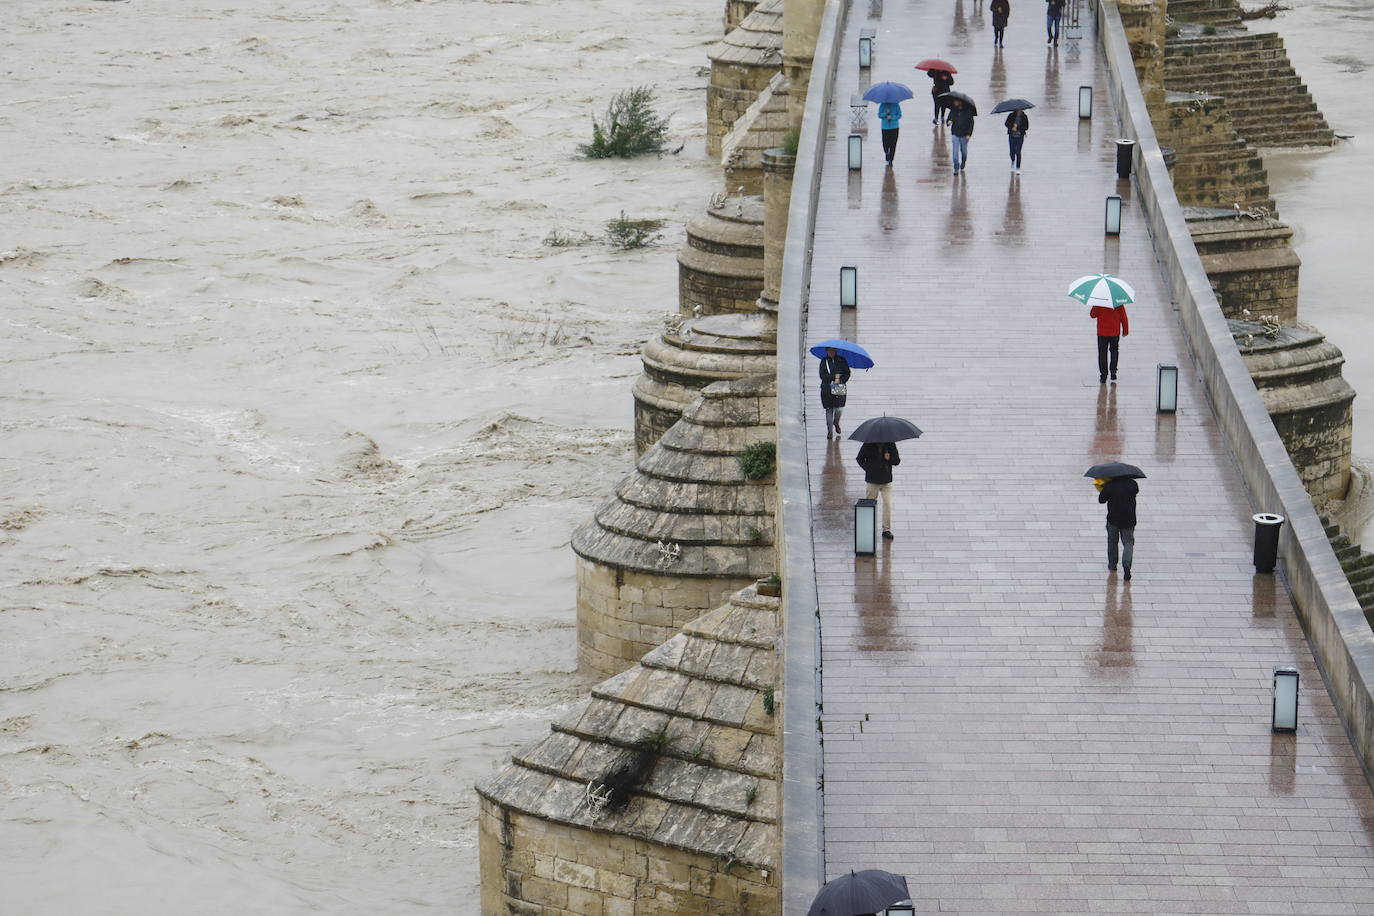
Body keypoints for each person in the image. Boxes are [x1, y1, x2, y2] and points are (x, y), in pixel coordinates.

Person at [856, 441, 900, 539]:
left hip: (886, 480)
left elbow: (897, 461)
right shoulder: (868, 444)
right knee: (869, 505)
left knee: (887, 505)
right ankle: (869, 527)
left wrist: (889, 459)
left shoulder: (890, 444)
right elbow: (859, 458)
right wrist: (868, 468)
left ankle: (886, 529)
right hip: (872, 480)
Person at [1098, 475, 1138, 579]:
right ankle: (1126, 565)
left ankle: (1112, 564)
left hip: (1113, 519)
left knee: (1112, 541)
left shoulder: (1110, 486)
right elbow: (1135, 492)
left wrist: (1103, 488)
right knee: (1128, 542)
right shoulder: (1133, 484)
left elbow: (1101, 500)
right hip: (1129, 519)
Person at [1090, 302, 1129, 383]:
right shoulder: (1118, 303)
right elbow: (1123, 317)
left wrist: (1095, 304)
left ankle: (1103, 376)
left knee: (1102, 354)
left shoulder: (1100, 302)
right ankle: (1113, 372)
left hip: (1102, 333)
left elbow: (1092, 315)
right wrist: (1125, 330)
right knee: (1114, 352)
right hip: (1114, 333)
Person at [819, 347, 851, 439]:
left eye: (833, 350)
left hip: (839, 387)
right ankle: (829, 431)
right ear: (827, 351)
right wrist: (834, 377)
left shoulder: (841, 360)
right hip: (827, 388)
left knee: (839, 409)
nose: (831, 352)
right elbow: (822, 375)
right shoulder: (824, 361)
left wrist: (841, 380)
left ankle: (836, 423)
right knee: (829, 409)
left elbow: (847, 373)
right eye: (829, 351)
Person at [948, 98, 976, 174]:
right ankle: (956, 168)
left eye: (956, 101)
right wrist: (949, 122)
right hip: (955, 134)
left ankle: (963, 162)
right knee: (955, 153)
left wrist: (969, 134)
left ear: (960, 102)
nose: (954, 103)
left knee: (964, 152)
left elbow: (971, 124)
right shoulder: (953, 110)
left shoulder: (968, 111)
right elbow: (949, 118)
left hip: (964, 135)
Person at [877, 100, 902, 166]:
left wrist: (892, 117)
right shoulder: (882, 104)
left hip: (894, 127)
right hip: (885, 127)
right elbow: (879, 115)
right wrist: (885, 113)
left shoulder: (896, 104)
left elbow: (899, 115)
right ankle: (886, 152)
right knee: (885, 143)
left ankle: (891, 159)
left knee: (893, 144)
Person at [1004, 107, 1028, 172]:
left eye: (1021, 109)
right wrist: (1012, 127)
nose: (1019, 111)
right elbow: (1006, 123)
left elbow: (1026, 127)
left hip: (1020, 136)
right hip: (1011, 135)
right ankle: (1012, 160)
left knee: (1018, 151)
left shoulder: (1024, 116)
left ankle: (1018, 167)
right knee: (1012, 151)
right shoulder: (1011, 115)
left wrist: (1017, 128)